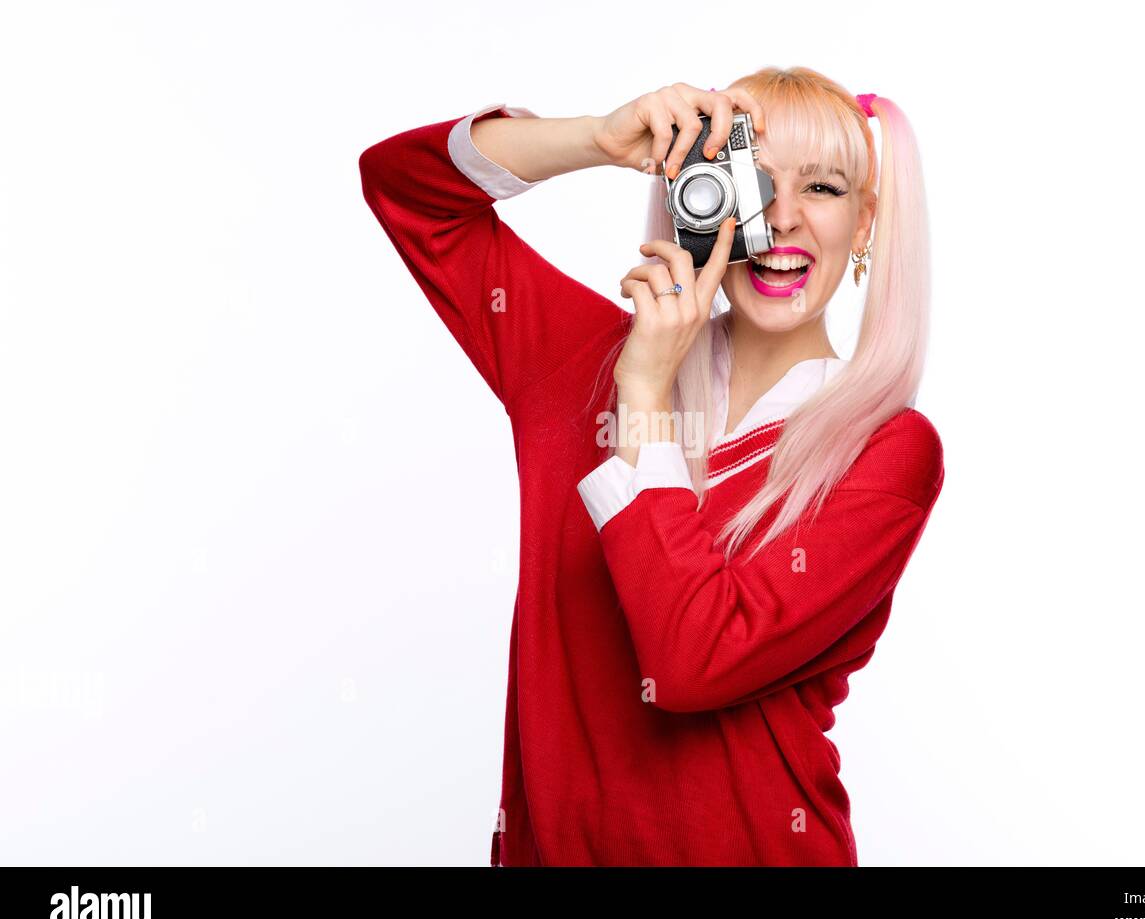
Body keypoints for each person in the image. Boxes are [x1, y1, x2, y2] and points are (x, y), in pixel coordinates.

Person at [358, 65, 944, 866]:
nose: (781, 219)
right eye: (751, 181)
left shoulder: (887, 451)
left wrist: (645, 394)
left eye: (826, 189)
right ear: (700, 194)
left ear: (866, 223)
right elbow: (404, 189)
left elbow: (689, 664)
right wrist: (595, 138)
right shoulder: (575, 364)